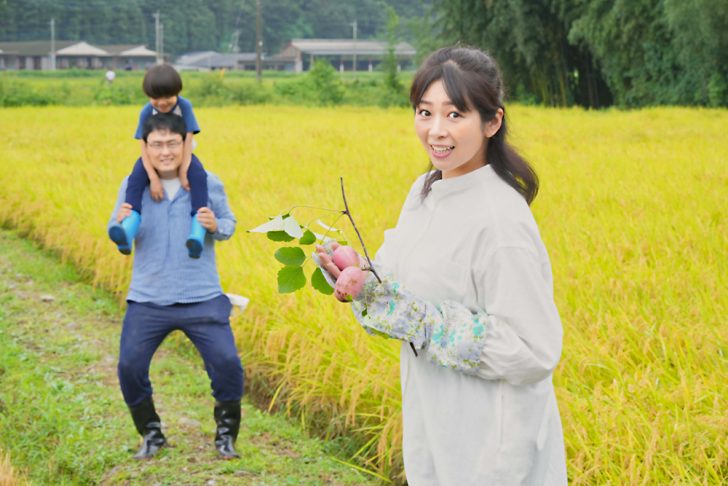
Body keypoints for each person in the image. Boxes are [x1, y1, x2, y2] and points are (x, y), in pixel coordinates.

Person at [315, 47, 567, 485]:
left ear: (492, 122)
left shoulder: (499, 220)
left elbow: (534, 350)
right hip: (435, 420)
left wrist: (425, 323)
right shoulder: (425, 192)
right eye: (424, 112)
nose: (436, 131)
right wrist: (355, 276)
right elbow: (395, 288)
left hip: (494, 443)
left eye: (455, 115)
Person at [109, 113, 244, 460]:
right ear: (146, 147)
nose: (165, 151)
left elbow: (229, 224)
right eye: (158, 144)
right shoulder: (133, 184)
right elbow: (117, 229)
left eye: (173, 143)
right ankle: (151, 434)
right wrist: (122, 224)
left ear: (186, 143)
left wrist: (215, 225)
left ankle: (226, 436)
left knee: (227, 363)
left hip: (200, 295)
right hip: (148, 297)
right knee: (129, 367)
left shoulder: (208, 183)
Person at [108, 63, 209, 259]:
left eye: (168, 98)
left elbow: (188, 139)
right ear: (148, 96)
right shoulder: (146, 112)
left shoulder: (184, 106)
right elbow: (144, 146)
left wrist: (183, 169)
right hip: (152, 157)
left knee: (199, 176)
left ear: (177, 93)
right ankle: (128, 229)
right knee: (135, 179)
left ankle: (197, 233)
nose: (162, 104)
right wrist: (153, 177)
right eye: (156, 99)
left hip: (182, 154)